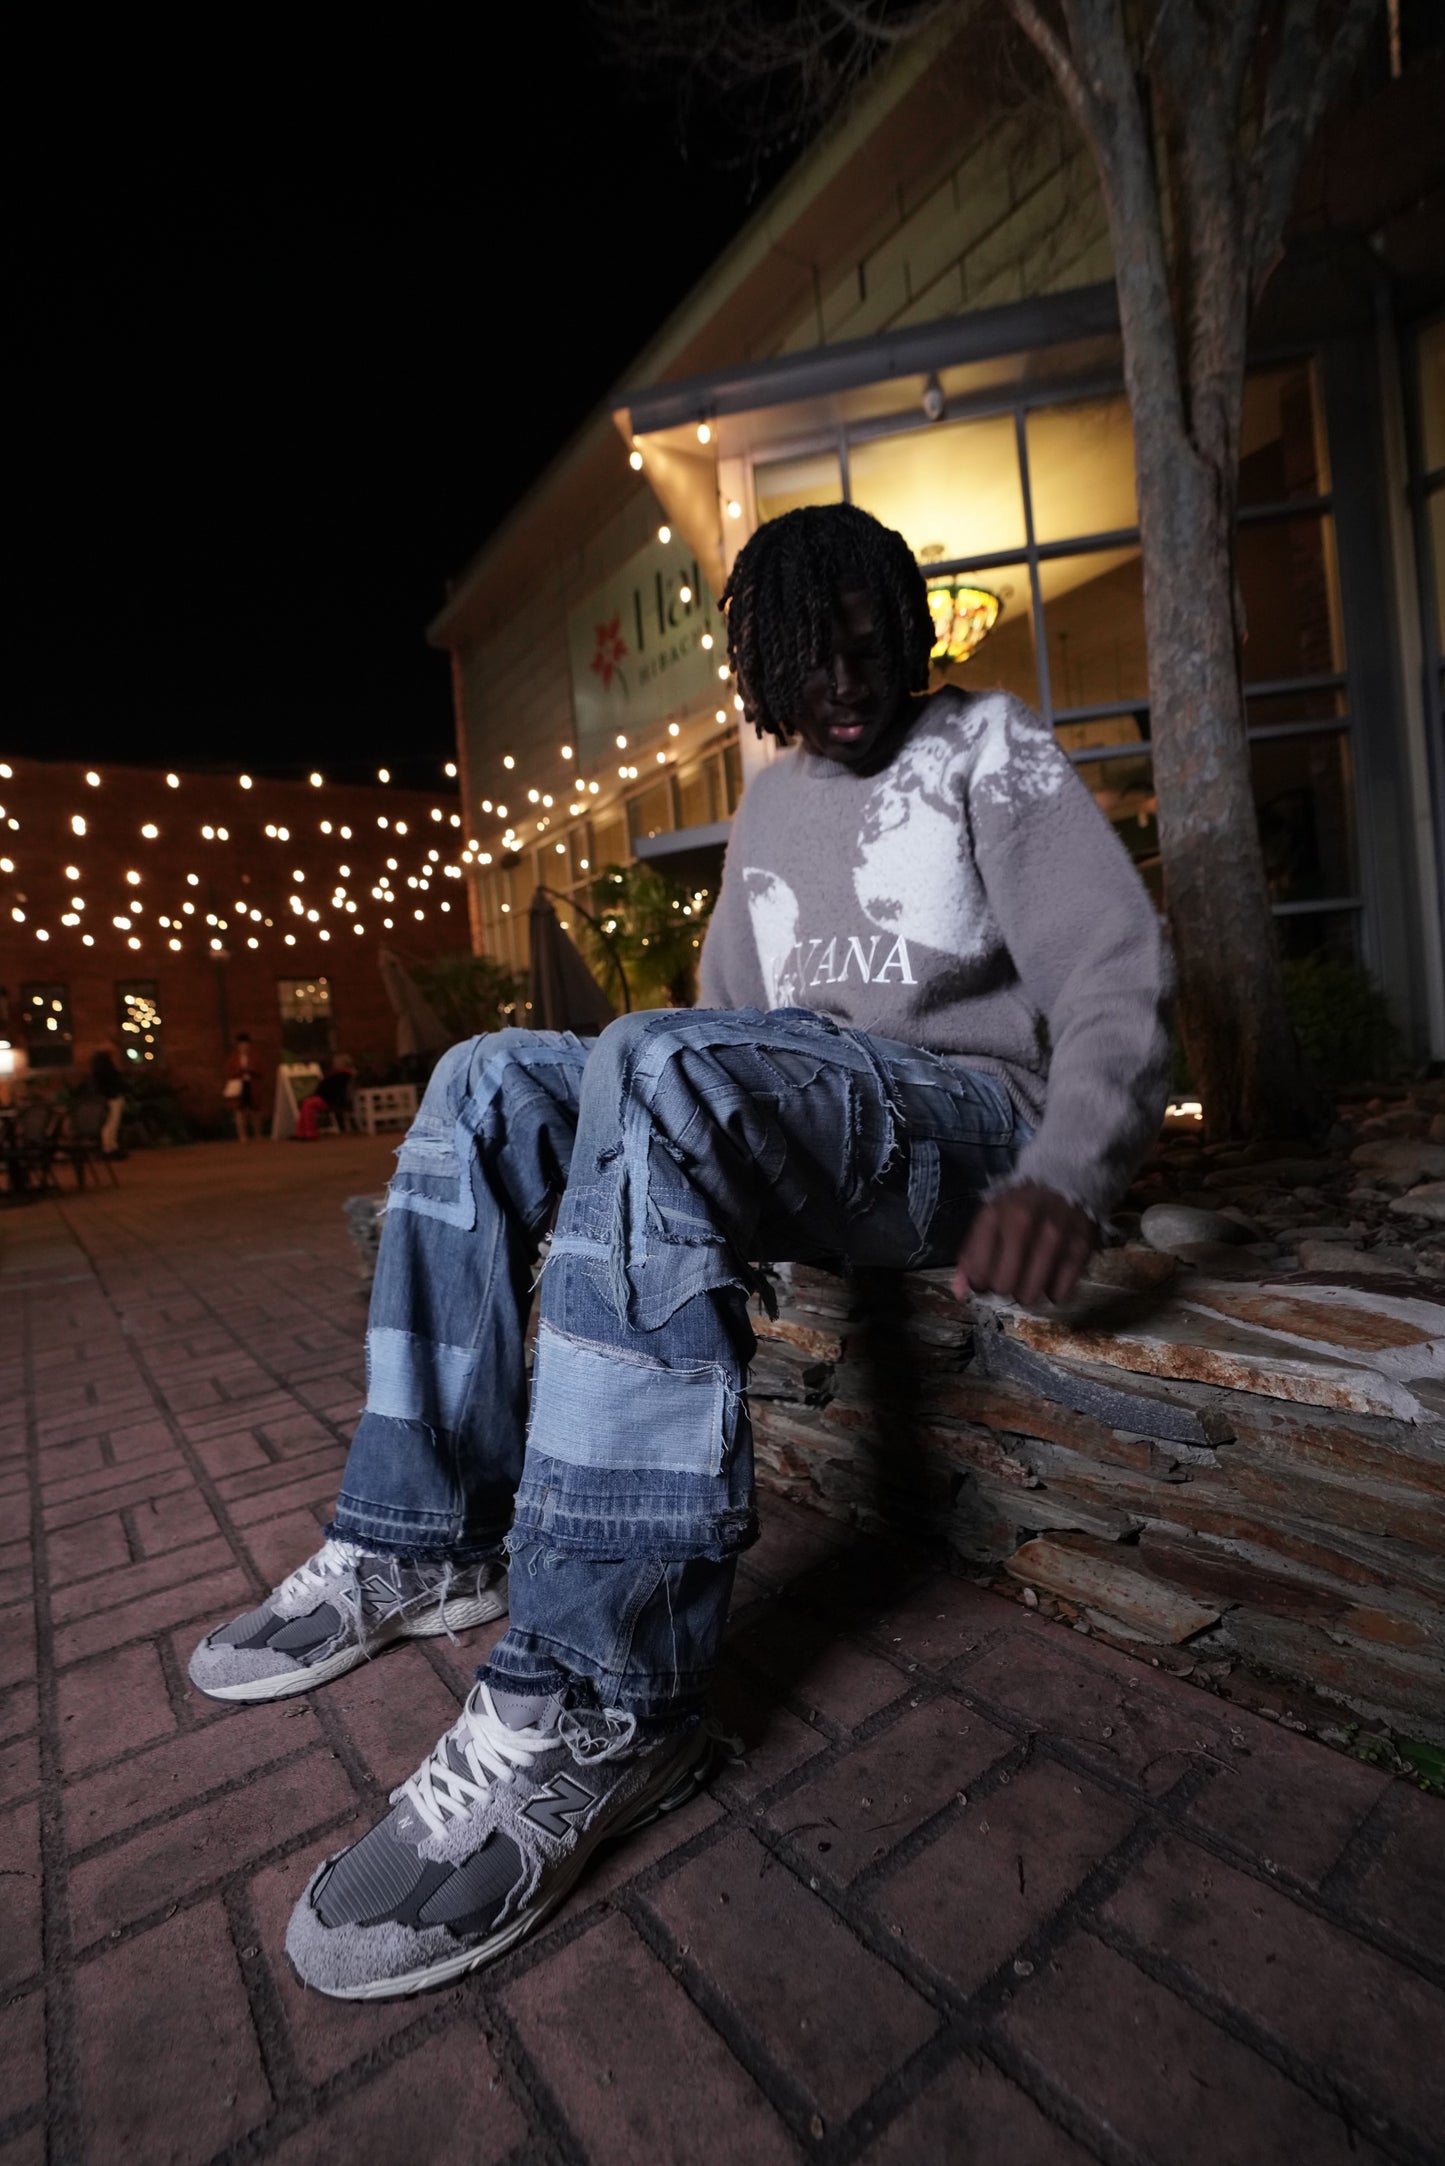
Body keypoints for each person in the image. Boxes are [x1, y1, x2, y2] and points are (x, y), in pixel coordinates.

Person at [189, 504, 1171, 2001]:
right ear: (761, 663)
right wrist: (606, 1149)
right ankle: (421, 1531)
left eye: (869, 638)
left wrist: (1071, 1167)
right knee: (481, 1082)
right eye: (807, 649)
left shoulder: (991, 747)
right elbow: (723, 1028)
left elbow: (1114, 968)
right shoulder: (776, 803)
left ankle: (604, 1696)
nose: (846, 674)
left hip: (975, 1118)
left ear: (911, 629)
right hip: (815, 1119)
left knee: (651, 1067)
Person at [293, 1055, 357, 1141]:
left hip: (330, 1100)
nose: (334, 1064)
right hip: (325, 1098)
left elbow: (335, 1090)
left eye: (336, 1062)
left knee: (309, 1105)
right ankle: (301, 1133)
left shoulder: (344, 1075)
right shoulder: (337, 1074)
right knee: (306, 1103)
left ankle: (310, 1133)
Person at [89, 1041, 127, 1158]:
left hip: (109, 1096)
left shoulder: (99, 1067)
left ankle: (110, 1146)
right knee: (111, 1122)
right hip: (112, 1096)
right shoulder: (106, 1066)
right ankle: (109, 1147)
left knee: (110, 1122)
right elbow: (114, 1080)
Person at [224, 1032, 264, 1141]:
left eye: (246, 1045)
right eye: (241, 1045)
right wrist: (240, 1071)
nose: (244, 1047)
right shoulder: (233, 1059)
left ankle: (258, 1134)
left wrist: (251, 1071)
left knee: (255, 1111)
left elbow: (261, 1071)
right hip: (239, 1086)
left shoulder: (255, 1057)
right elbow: (228, 1073)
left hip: (252, 1085)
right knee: (239, 1111)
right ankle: (243, 1136)